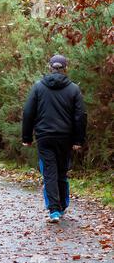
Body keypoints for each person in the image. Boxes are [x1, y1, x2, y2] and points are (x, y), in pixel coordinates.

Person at [22, 55, 87, 223]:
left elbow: (28, 112)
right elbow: (80, 116)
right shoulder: (73, 89)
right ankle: (62, 205)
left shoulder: (38, 87)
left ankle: (54, 211)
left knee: (49, 172)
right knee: (62, 172)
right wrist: (78, 140)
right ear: (65, 68)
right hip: (65, 137)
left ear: (50, 67)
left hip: (44, 137)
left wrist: (27, 137)